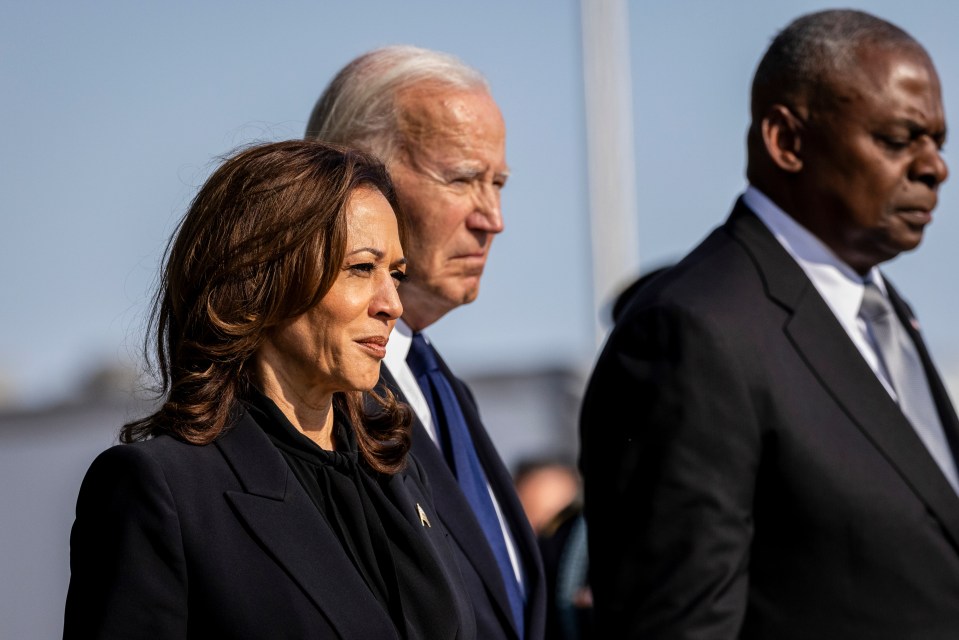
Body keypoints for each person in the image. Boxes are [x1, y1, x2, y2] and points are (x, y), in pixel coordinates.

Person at [580, 9, 959, 639]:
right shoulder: (693, 332)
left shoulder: (887, 317)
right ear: (787, 140)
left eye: (938, 143)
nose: (934, 168)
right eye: (898, 140)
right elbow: (680, 624)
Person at [64, 141, 476, 639]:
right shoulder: (161, 490)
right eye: (362, 268)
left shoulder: (399, 472)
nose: (392, 303)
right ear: (263, 277)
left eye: (396, 274)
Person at [306, 46, 546, 640]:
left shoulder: (441, 387)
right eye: (463, 179)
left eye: (498, 184)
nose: (492, 219)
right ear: (358, 178)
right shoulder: (308, 404)